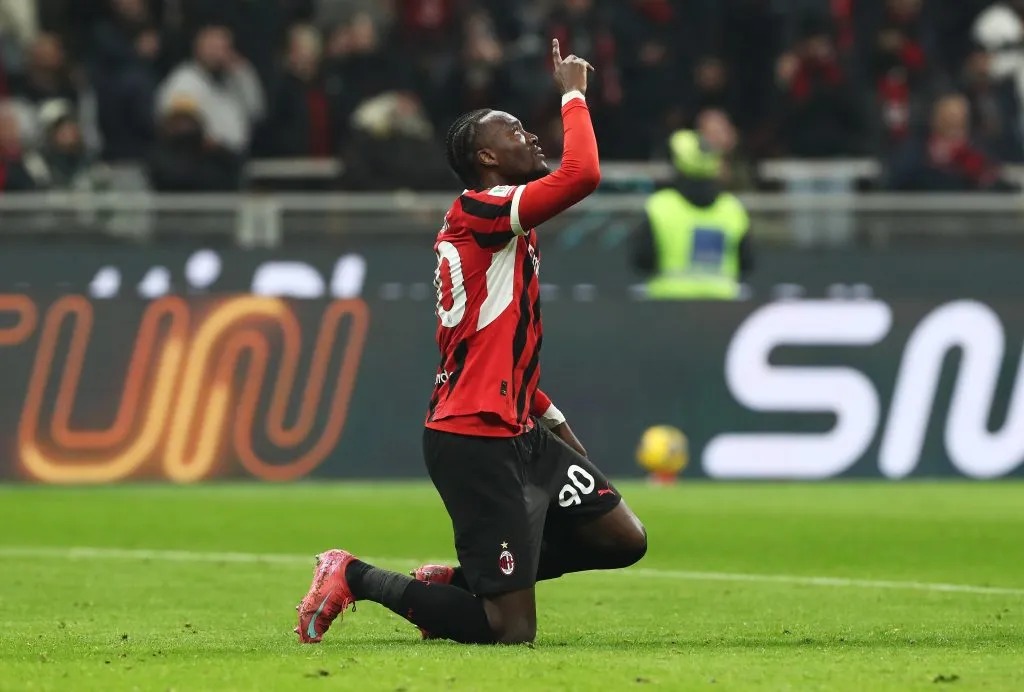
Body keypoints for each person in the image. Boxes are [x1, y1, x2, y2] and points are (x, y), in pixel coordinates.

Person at [293, 39, 647, 646]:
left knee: (620, 536)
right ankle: (353, 574)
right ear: (486, 156)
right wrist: (572, 93)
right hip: (474, 438)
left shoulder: (500, 226)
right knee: (509, 631)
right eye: (514, 131)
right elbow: (582, 173)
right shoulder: (482, 211)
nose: (530, 138)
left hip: (517, 424)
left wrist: (555, 422)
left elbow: (499, 350)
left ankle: (454, 583)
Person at [631, 129, 752, 300]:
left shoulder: (660, 206)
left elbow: (643, 260)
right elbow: (747, 263)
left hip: (668, 302)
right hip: (723, 304)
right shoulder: (732, 208)